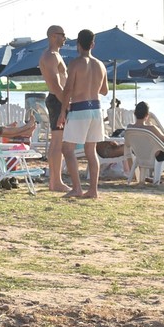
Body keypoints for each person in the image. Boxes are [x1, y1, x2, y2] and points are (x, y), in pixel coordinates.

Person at [59, 28, 109, 199]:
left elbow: (68, 90)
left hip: (79, 108)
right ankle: (93, 190)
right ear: (93, 44)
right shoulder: (101, 65)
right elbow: (104, 91)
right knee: (90, 150)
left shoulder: (75, 63)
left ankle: (77, 188)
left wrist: (62, 112)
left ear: (77, 45)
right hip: (96, 108)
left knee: (67, 148)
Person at [38, 25, 73, 193]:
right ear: (53, 36)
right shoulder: (51, 56)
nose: (65, 37)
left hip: (58, 99)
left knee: (56, 141)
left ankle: (54, 181)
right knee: (57, 142)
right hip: (57, 100)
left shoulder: (55, 55)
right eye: (62, 34)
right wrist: (66, 105)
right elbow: (56, 84)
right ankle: (56, 181)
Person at [127, 101, 164, 185]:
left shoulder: (129, 128)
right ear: (147, 115)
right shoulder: (152, 128)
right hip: (155, 157)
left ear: (135, 114)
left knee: (162, 148)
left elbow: (128, 144)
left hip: (140, 156)